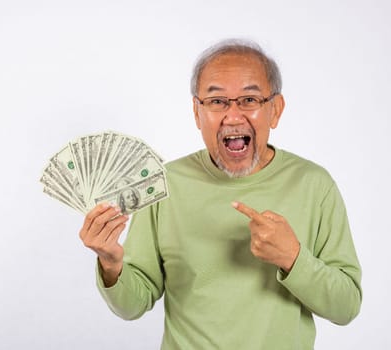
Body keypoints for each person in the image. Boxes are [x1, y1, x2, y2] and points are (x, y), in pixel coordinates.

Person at [78, 39, 362, 349]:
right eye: (217, 102)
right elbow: (132, 305)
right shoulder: (163, 185)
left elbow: (345, 307)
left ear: (275, 110)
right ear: (197, 113)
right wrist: (111, 263)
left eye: (250, 99)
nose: (233, 115)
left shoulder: (314, 184)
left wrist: (293, 258)